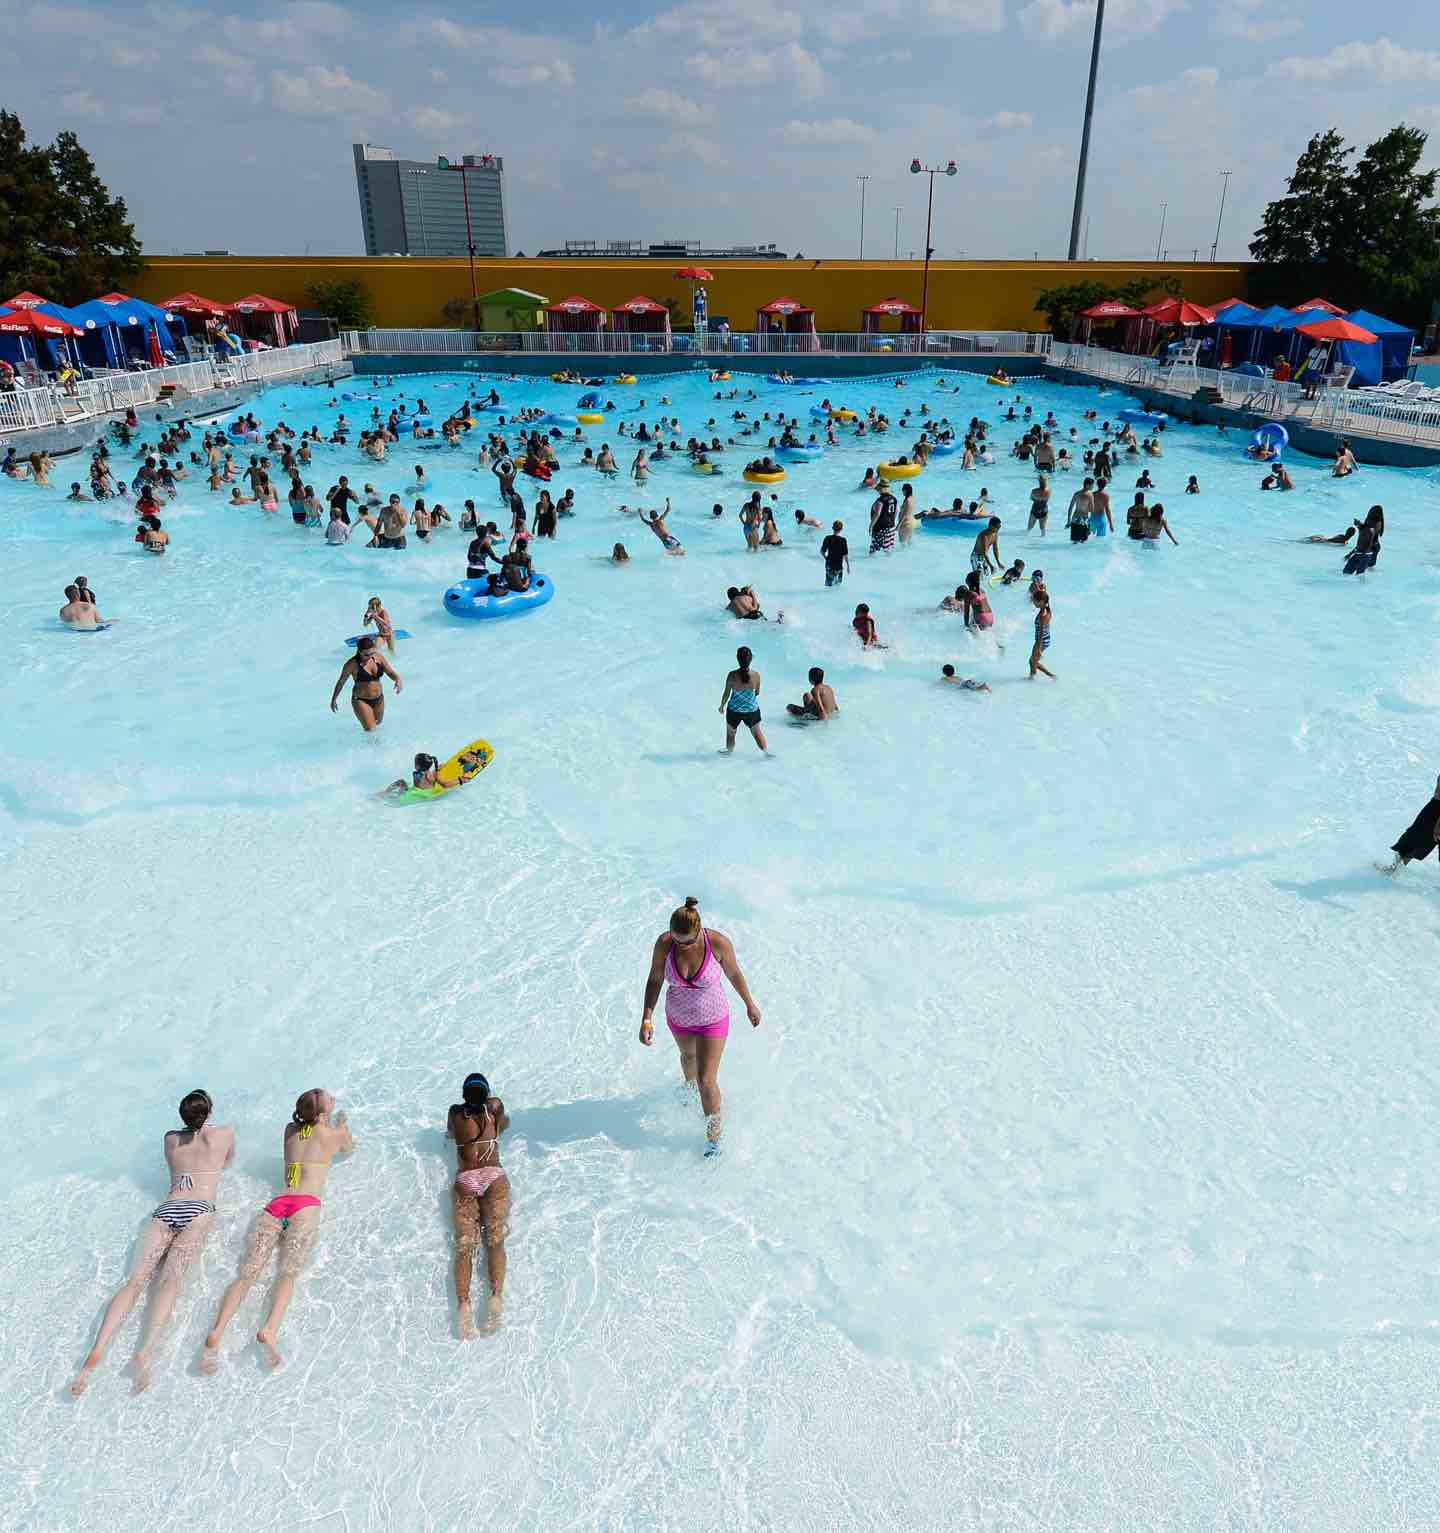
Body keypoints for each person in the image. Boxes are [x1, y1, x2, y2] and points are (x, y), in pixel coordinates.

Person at [70, 1091, 235, 1396]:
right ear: (209, 1112)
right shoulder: (224, 1134)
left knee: (134, 1282)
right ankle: (145, 1351)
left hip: (166, 1209)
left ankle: (97, 1352)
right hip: (198, 1209)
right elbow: (226, 1162)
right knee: (169, 1280)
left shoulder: (170, 1139)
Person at [201, 1089, 353, 1373]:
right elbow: (348, 1149)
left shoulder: (289, 1130)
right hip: (305, 1207)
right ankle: (269, 1329)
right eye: (329, 1100)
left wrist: (324, 1120)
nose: (333, 1100)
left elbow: (306, 1133)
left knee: (247, 1274)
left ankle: (218, 1330)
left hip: (276, 1205)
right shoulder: (334, 1135)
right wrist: (342, 1124)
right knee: (287, 1273)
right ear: (322, 1113)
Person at [638, 897, 762, 1153]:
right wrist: (646, 1018)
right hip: (679, 1017)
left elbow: (734, 973)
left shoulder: (717, 942)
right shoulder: (664, 944)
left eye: (688, 942)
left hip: (712, 1019)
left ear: (698, 933)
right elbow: (655, 979)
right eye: (677, 941)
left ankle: (713, 1138)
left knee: (707, 1080)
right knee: (687, 1058)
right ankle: (689, 1090)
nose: (681, 947)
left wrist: (749, 1004)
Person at [447, 1073, 511, 1338]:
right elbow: (504, 1124)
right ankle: (495, 1295)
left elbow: (451, 1135)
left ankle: (463, 1304)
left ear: (464, 1094)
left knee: (465, 1245)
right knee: (494, 1240)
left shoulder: (454, 1112)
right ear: (486, 1094)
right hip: (493, 1176)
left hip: (466, 1179)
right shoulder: (494, 1107)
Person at [330, 635, 401, 732]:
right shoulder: (352, 664)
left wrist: (397, 679)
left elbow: (390, 672)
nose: (370, 656)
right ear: (359, 652)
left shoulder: (378, 658)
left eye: (372, 653)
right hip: (361, 700)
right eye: (366, 654)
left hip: (379, 698)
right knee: (371, 731)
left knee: (378, 724)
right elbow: (341, 682)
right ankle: (373, 747)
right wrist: (334, 699)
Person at [1378, 773, 1440, 875]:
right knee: (1414, 841)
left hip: (1435, 813)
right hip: (1434, 811)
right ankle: (1393, 870)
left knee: (1414, 839)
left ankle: (1393, 871)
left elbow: (1438, 794)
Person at [720, 646, 770, 754]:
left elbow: (726, 694)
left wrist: (722, 706)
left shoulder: (732, 675)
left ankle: (729, 754)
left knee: (731, 733)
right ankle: (766, 753)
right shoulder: (756, 675)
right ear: (750, 659)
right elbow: (757, 693)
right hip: (751, 710)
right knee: (757, 733)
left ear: (737, 659)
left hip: (734, 710)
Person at [1343, 506, 1384, 575]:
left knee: (1360, 571)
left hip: (1370, 548)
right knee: (1362, 572)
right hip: (1370, 548)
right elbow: (1366, 529)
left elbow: (1369, 533)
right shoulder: (1374, 522)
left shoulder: (1375, 523)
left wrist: (1351, 553)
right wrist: (1359, 525)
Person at [1029, 593, 1055, 679]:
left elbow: (1041, 633)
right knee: (1032, 661)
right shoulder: (1046, 609)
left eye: (1035, 601)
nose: (1033, 602)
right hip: (1045, 639)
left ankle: (1051, 676)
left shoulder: (1042, 615)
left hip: (1041, 641)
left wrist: (1038, 648)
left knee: (1033, 661)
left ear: (1042, 602)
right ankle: (1032, 677)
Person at [869, 485, 898, 554]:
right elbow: (896, 511)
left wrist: (871, 526)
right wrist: (892, 521)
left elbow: (877, 514)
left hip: (881, 528)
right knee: (888, 548)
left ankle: (871, 562)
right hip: (891, 527)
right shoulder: (894, 498)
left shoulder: (880, 501)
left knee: (874, 549)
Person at [821, 520, 849, 587]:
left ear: (832, 528)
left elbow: (822, 552)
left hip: (829, 565)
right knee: (837, 586)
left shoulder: (827, 538)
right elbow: (845, 555)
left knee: (828, 586)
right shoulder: (843, 540)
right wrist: (848, 566)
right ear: (841, 529)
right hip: (838, 567)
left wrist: (826, 558)